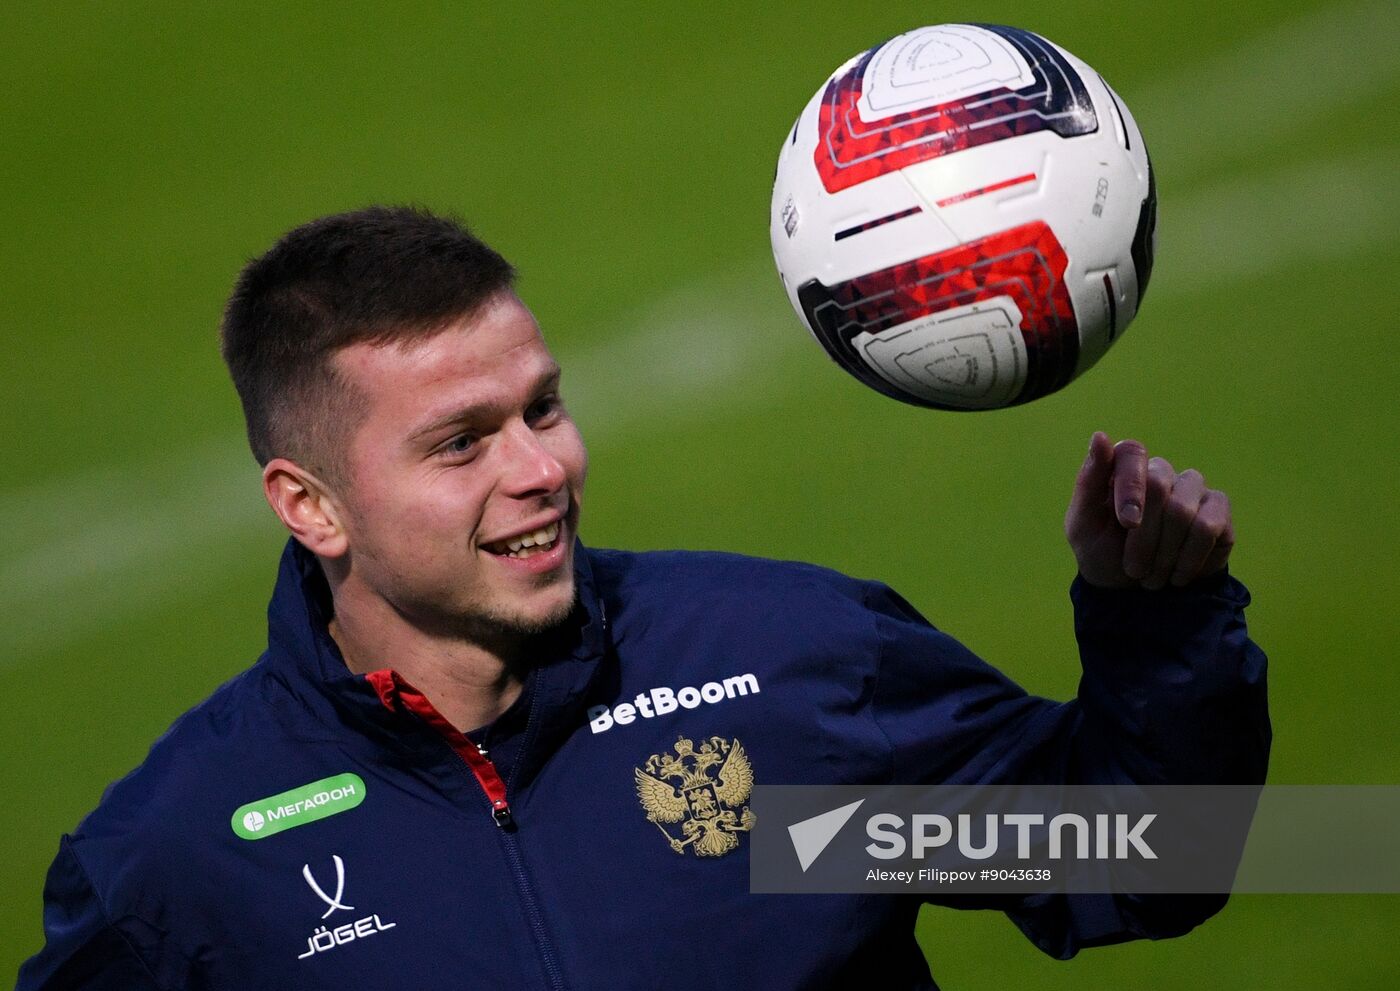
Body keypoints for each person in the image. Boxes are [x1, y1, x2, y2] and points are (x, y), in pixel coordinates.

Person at [17, 206, 1269, 990]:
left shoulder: (783, 681)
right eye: (461, 443)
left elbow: (1142, 861)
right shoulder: (187, 857)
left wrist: (1156, 626)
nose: (541, 469)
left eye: (542, 407)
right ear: (311, 504)